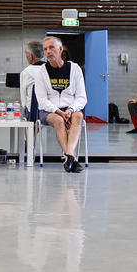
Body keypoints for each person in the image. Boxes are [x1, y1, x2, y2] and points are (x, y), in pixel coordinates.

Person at [32, 36, 87, 173]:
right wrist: (59, 112)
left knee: (78, 116)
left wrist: (70, 109)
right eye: (45, 49)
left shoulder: (75, 69)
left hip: (70, 108)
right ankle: (73, 159)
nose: (48, 52)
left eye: (51, 47)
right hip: (49, 110)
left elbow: (82, 97)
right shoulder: (41, 72)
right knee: (58, 120)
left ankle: (68, 156)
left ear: (60, 49)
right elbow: (42, 100)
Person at [19, 40, 44, 120]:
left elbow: (23, 98)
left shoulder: (26, 72)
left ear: (30, 56)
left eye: (26, 54)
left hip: (33, 112)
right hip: (50, 112)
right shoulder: (51, 70)